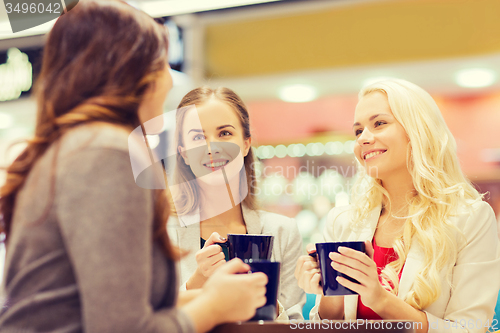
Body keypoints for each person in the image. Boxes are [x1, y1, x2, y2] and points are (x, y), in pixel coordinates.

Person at [0, 1, 268, 332]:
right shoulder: (106, 155)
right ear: (138, 72)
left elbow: (103, 303)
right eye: (162, 63)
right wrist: (214, 306)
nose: (169, 81)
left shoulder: (75, 147)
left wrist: (209, 293)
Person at [295, 79, 500, 333]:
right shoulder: (343, 221)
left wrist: (379, 299)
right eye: (358, 131)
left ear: (417, 130)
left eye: (379, 123)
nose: (363, 139)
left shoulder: (470, 218)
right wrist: (328, 290)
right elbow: (330, 323)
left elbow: (470, 328)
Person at [167, 87, 306, 320]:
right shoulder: (160, 233)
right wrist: (196, 283)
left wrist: (267, 300)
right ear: (184, 153)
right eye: (198, 137)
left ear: (245, 144)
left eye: (224, 133)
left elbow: (294, 323)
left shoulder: (283, 232)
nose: (212, 148)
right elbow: (148, 322)